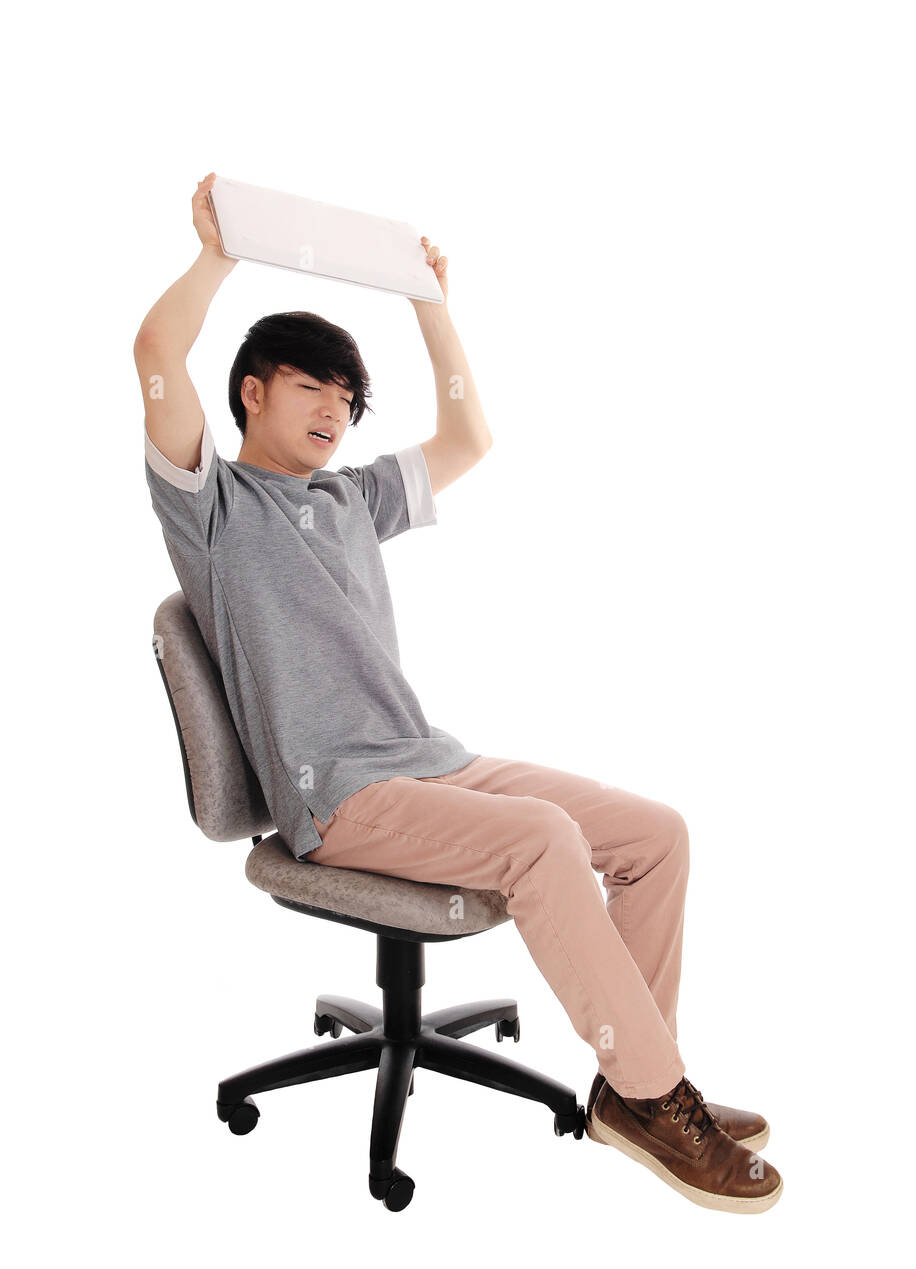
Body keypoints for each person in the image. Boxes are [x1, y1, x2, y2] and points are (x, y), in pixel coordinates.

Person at [134, 173, 783, 1215]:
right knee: (540, 839)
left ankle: (632, 1079)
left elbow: (469, 440)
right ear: (252, 390)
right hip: (338, 798)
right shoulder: (213, 511)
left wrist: (431, 305)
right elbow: (155, 356)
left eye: (347, 403)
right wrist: (218, 253)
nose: (335, 414)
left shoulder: (351, 497)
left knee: (655, 833)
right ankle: (662, 1094)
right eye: (312, 390)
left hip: (429, 760)